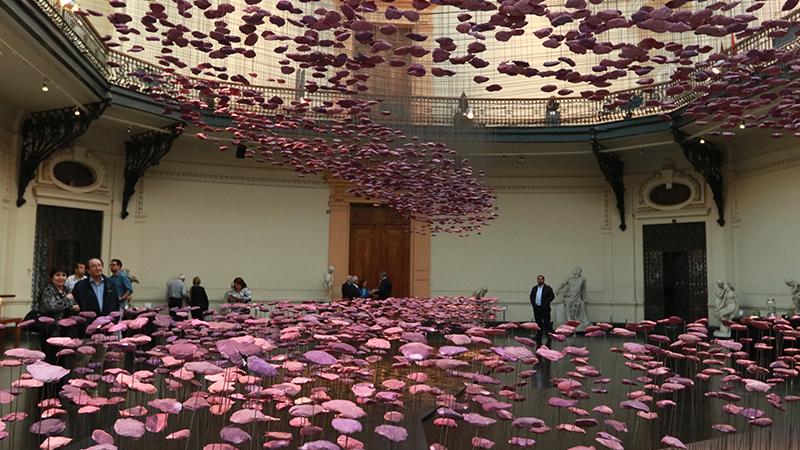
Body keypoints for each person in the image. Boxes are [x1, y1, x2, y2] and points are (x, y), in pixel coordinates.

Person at [530, 274, 555, 346]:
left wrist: (545, 304)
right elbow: (531, 296)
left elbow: (552, 296)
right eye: (538, 279)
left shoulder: (548, 288)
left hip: (545, 308)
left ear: (543, 280)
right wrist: (534, 305)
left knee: (547, 322)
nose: (539, 280)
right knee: (538, 323)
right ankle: (539, 336)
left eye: (541, 279)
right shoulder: (534, 288)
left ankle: (549, 336)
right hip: (537, 308)